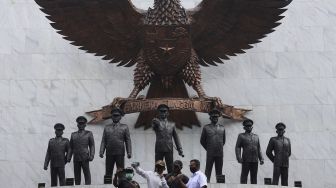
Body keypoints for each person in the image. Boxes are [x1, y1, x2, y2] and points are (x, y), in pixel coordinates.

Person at [100, 108, 132, 176]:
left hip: (120, 152)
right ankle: (107, 186)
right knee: (108, 171)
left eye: (117, 115)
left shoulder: (125, 127)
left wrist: (129, 152)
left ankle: (122, 185)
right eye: (114, 115)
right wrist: (101, 151)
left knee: (121, 172)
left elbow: (128, 140)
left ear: (120, 117)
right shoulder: (107, 127)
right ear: (111, 116)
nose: (115, 117)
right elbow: (104, 141)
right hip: (109, 152)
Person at [152, 104, 184, 173]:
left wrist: (180, 149)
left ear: (168, 113)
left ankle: (170, 182)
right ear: (158, 113)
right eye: (161, 111)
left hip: (169, 148)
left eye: (165, 111)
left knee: (170, 167)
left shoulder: (172, 124)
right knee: (157, 167)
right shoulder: (156, 122)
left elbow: (176, 138)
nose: (163, 113)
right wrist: (157, 123)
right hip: (159, 148)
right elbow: (154, 127)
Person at [67, 116, 95, 185]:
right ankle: (77, 186)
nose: (81, 125)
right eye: (80, 123)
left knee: (86, 173)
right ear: (77, 124)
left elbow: (92, 145)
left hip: (85, 157)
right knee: (77, 175)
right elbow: (71, 147)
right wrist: (69, 157)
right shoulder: (73, 135)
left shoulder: (89, 133)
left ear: (85, 124)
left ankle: (88, 186)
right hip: (76, 157)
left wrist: (91, 155)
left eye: (82, 123)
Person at [235, 119, 264, 184]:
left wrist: (261, 158)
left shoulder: (256, 136)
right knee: (244, 176)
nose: (249, 127)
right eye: (247, 126)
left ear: (252, 127)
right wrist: (239, 158)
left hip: (255, 160)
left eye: (250, 126)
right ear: (244, 127)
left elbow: (258, 148)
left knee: (254, 177)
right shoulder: (241, 136)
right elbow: (238, 147)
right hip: (246, 160)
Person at [200, 109, 225, 182]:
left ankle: (221, 185)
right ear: (210, 118)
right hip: (210, 152)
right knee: (208, 169)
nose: (215, 118)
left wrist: (219, 147)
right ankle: (205, 184)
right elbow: (202, 141)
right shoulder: (206, 127)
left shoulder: (222, 128)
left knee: (219, 170)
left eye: (216, 117)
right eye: (213, 117)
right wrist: (208, 148)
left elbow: (223, 141)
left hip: (219, 153)